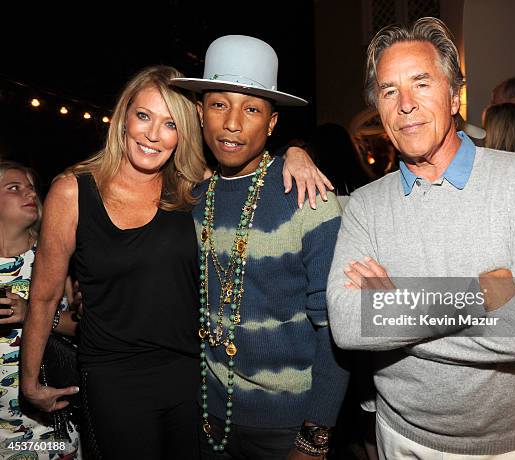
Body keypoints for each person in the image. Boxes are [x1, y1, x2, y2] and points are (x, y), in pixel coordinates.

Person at [19, 65, 332, 459]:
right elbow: (45, 297)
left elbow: (248, 168)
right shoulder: (72, 191)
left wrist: (295, 154)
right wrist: (29, 382)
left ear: (185, 131)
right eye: (144, 116)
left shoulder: (192, 185)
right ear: (122, 117)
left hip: (191, 376)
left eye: (170, 124)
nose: (153, 135)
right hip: (114, 378)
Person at [326, 17, 515, 459]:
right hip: (399, 439)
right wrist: (484, 292)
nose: (405, 104)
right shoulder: (366, 204)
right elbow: (348, 324)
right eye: (389, 91)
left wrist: (394, 311)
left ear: (455, 95)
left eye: (421, 84)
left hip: (506, 447)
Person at [171, 34, 350, 459]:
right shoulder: (192, 201)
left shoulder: (309, 198)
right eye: (219, 105)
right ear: (200, 113)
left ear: (271, 123)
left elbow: (336, 329)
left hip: (288, 427)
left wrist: (314, 435)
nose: (232, 123)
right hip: (210, 416)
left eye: (251, 109)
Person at [0, 161, 80, 459]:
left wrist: (33, 314)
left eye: (31, 187)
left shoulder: (52, 257)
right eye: (14, 187)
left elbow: (83, 326)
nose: (29, 193)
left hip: (45, 416)